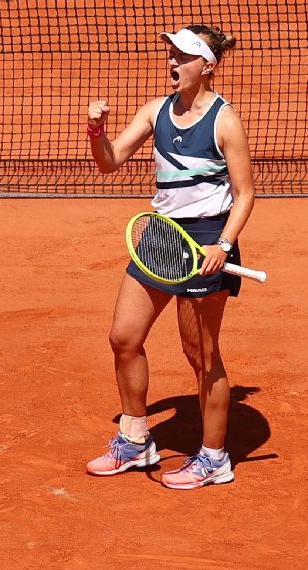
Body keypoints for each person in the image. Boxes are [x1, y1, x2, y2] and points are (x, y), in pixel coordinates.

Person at [83, 25, 254, 489]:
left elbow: (244, 193)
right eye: (171, 54)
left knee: (201, 354)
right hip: (161, 235)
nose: (172, 62)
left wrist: (223, 244)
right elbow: (109, 161)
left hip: (207, 240)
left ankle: (214, 459)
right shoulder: (155, 110)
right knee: (123, 337)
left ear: (207, 66)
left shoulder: (224, 121)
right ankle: (135, 441)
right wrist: (97, 130)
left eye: (183, 55)